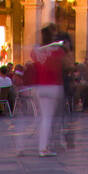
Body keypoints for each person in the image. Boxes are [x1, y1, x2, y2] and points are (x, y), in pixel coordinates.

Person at [28, 24, 65, 156]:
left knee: (45, 118)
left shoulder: (37, 50)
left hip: (40, 86)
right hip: (53, 86)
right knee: (51, 118)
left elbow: (32, 56)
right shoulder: (56, 50)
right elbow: (62, 64)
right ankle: (45, 147)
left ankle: (43, 146)